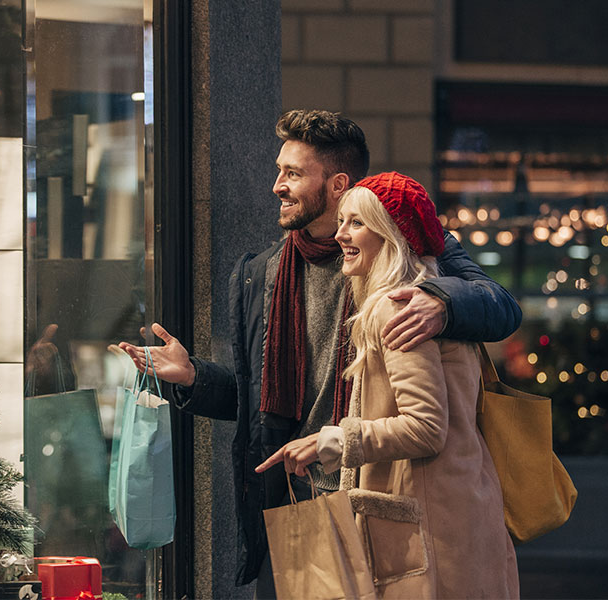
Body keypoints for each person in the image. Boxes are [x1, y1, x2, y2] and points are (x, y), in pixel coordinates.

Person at [118, 110, 521, 592]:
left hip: (386, 497)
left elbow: (501, 307)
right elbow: (261, 404)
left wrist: (441, 302)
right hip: (303, 499)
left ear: (337, 184)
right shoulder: (263, 275)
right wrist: (192, 378)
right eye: (278, 170)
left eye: (293, 173)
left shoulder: (404, 257)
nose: (277, 186)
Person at [257, 171, 520, 598]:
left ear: (392, 234)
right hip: (457, 512)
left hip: (429, 530)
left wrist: (334, 440)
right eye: (342, 221)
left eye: (356, 223)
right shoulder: (429, 299)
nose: (341, 234)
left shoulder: (396, 306)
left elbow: (425, 427)